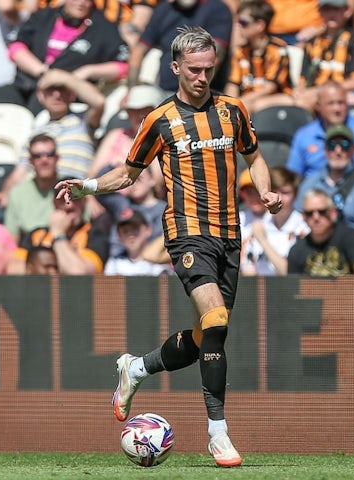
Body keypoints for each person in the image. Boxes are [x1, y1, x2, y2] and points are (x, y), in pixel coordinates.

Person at [55, 27, 282, 467]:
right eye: (194, 70)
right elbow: (127, 173)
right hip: (186, 232)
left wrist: (267, 192)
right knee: (215, 317)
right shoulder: (160, 120)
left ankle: (136, 368)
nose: (202, 77)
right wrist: (85, 187)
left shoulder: (233, 110)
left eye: (208, 69)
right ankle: (218, 434)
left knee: (205, 338)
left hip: (229, 234)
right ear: (176, 67)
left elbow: (254, 157)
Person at [0, 0, 129, 115]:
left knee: (38, 108)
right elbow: (16, 48)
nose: (81, 3)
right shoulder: (44, 16)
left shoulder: (103, 27)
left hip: (65, 94)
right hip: (28, 84)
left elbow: (122, 66)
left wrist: (87, 71)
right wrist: (41, 71)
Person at [0, 68, 104, 209]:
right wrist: (5, 194)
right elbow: (20, 172)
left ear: (72, 94)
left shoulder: (83, 121)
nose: (57, 94)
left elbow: (99, 102)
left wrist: (64, 77)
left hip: (76, 196)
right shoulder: (34, 133)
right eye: (51, 90)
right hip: (40, 197)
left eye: (62, 89)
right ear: (41, 96)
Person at [295, 124, 354, 246]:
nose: (338, 151)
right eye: (332, 146)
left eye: (345, 145)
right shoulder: (309, 184)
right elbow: (298, 224)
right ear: (325, 150)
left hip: (353, 254)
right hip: (315, 253)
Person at [126, 0, 233, 95]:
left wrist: (191, 94)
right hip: (163, 91)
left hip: (202, 94)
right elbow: (139, 50)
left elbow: (217, 54)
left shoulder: (217, 9)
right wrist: (131, 89)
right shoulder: (164, 10)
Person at [287, 0, 354, 112]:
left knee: (303, 103)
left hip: (342, 92)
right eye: (327, 9)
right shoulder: (312, 42)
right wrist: (299, 89)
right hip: (313, 91)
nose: (331, 14)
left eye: (336, 9)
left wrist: (320, 91)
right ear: (320, 12)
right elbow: (303, 78)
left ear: (347, 11)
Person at [286, 80, 354, 179]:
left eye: (341, 102)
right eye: (330, 103)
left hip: (351, 190)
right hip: (311, 190)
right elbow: (294, 176)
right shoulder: (304, 135)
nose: (337, 109)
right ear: (318, 106)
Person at [11, 192, 111, 274]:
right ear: (54, 203)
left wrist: (59, 235)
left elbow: (79, 275)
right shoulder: (37, 234)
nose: (69, 206)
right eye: (62, 200)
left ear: (84, 202)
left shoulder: (95, 234)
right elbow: (13, 270)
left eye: (75, 199)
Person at [223, 0, 292, 114]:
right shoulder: (240, 51)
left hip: (276, 98)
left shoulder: (277, 49)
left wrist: (241, 102)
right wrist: (230, 103)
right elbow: (233, 83)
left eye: (243, 22)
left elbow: (270, 87)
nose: (238, 26)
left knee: (251, 106)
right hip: (248, 99)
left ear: (260, 25)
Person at [287, 188, 354, 275]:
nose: (316, 217)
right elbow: (292, 287)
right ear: (303, 216)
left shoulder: (350, 237)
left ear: (333, 213)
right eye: (309, 213)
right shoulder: (297, 250)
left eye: (322, 212)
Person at [241, 166, 309, 276]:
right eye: (274, 192)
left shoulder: (304, 227)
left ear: (295, 195)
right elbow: (248, 270)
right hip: (259, 290)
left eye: (285, 193)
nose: (278, 198)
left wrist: (263, 241)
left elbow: (289, 273)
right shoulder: (258, 224)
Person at [3, 134, 62, 244]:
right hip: (28, 252)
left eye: (49, 154)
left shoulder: (71, 187)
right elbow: (12, 239)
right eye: (37, 156)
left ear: (57, 158)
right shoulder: (17, 193)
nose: (44, 160)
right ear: (30, 161)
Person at [104, 207, 172, 275]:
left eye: (134, 229)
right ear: (119, 236)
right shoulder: (114, 264)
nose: (130, 235)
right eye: (125, 231)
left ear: (148, 230)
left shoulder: (158, 261)